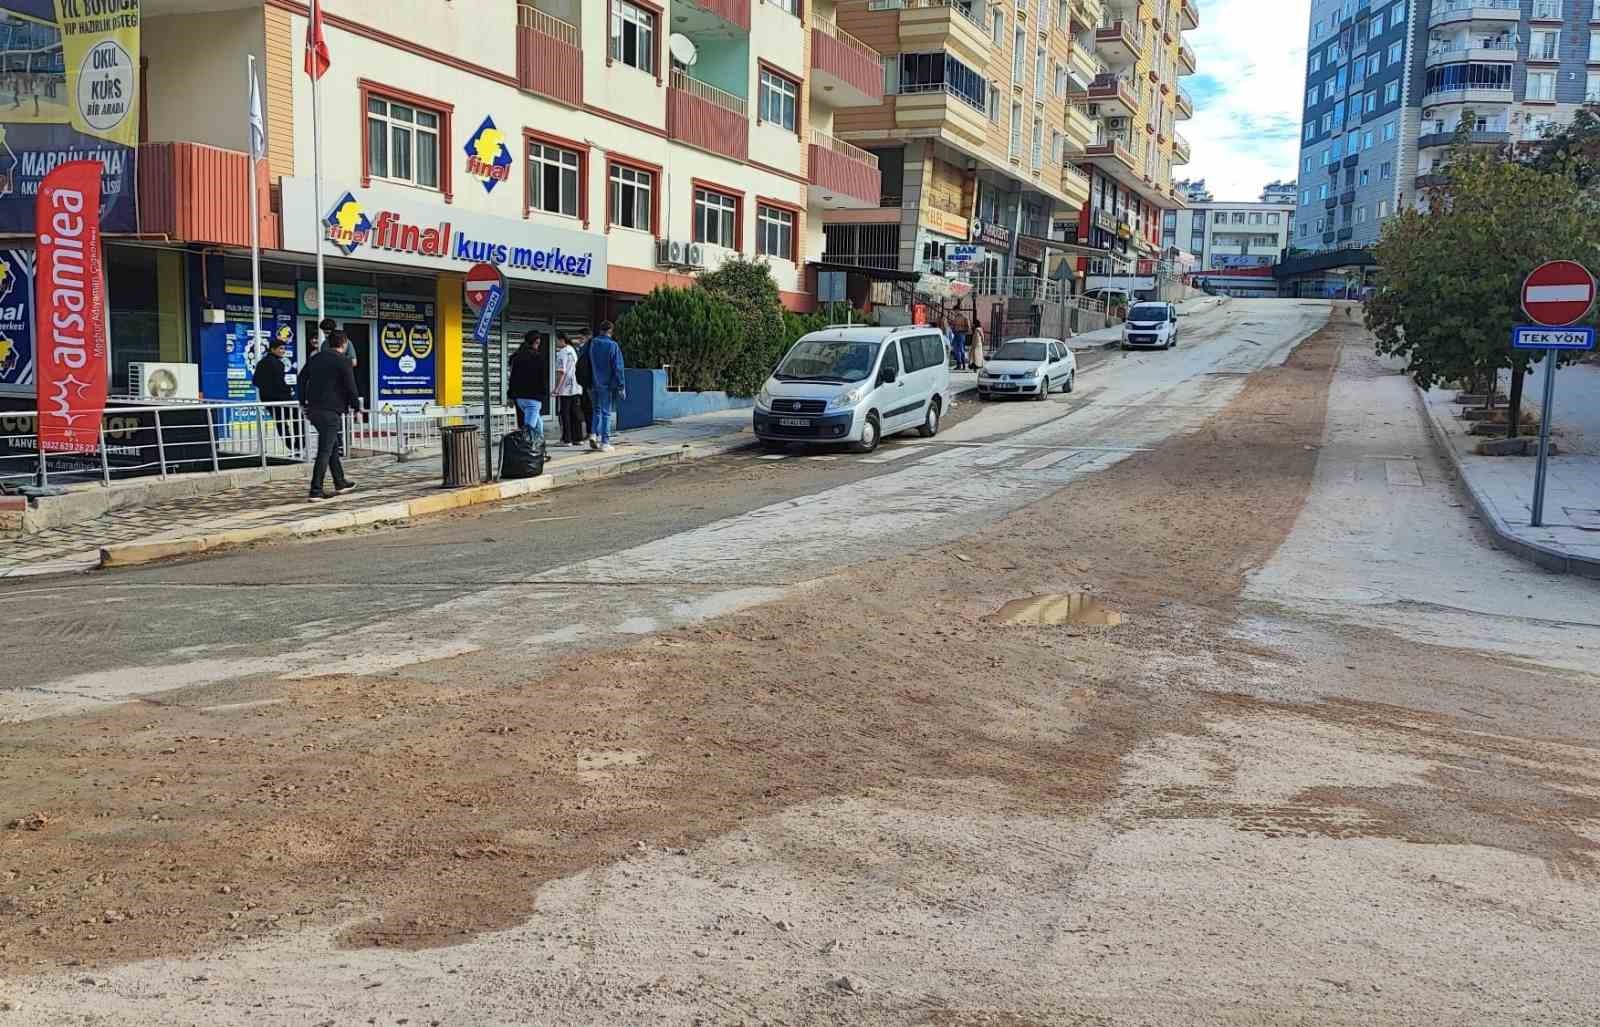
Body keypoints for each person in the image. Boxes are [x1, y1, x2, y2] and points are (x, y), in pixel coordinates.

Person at [297, 330, 360, 501]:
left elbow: (301, 379)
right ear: (344, 343)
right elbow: (350, 386)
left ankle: (340, 482)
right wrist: (357, 407)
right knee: (324, 450)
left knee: (331, 447)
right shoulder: (344, 361)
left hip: (314, 410)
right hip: (331, 411)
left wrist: (302, 401)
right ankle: (316, 490)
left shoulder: (315, 358)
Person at [251, 336, 299, 453]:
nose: (283, 351)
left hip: (267, 399)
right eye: (281, 348)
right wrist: (289, 391)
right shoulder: (277, 364)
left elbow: (255, 381)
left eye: (284, 348)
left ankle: (291, 445)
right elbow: (279, 383)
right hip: (281, 399)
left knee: (280, 422)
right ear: (273, 349)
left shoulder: (262, 362)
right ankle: (298, 444)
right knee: (297, 418)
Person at [586, 321, 625, 452]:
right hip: (606, 384)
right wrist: (621, 385)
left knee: (596, 410)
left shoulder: (592, 343)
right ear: (610, 331)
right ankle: (605, 442)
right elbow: (618, 367)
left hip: (592, 382)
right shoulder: (612, 345)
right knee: (606, 413)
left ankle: (593, 434)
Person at [507, 331, 548, 437]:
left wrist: (510, 395)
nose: (539, 345)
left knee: (538, 424)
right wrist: (543, 395)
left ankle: (540, 448)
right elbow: (542, 378)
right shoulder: (538, 358)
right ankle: (527, 451)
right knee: (528, 430)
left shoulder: (517, 357)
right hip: (533, 398)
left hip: (520, 398)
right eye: (538, 343)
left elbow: (512, 378)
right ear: (536, 342)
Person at [553, 333, 584, 446]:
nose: (556, 343)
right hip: (576, 386)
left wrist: (556, 388)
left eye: (556, 340)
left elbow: (561, 372)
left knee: (564, 413)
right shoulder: (573, 350)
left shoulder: (562, 353)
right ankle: (578, 438)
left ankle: (567, 439)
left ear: (561, 340)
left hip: (565, 388)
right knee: (575, 413)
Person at [575, 332, 596, 444]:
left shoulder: (590, 349)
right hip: (583, 384)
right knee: (585, 408)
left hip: (589, 384)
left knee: (590, 409)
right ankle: (590, 432)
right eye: (578, 338)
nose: (579, 340)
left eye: (581, 338)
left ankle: (592, 432)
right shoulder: (581, 350)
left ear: (588, 337)